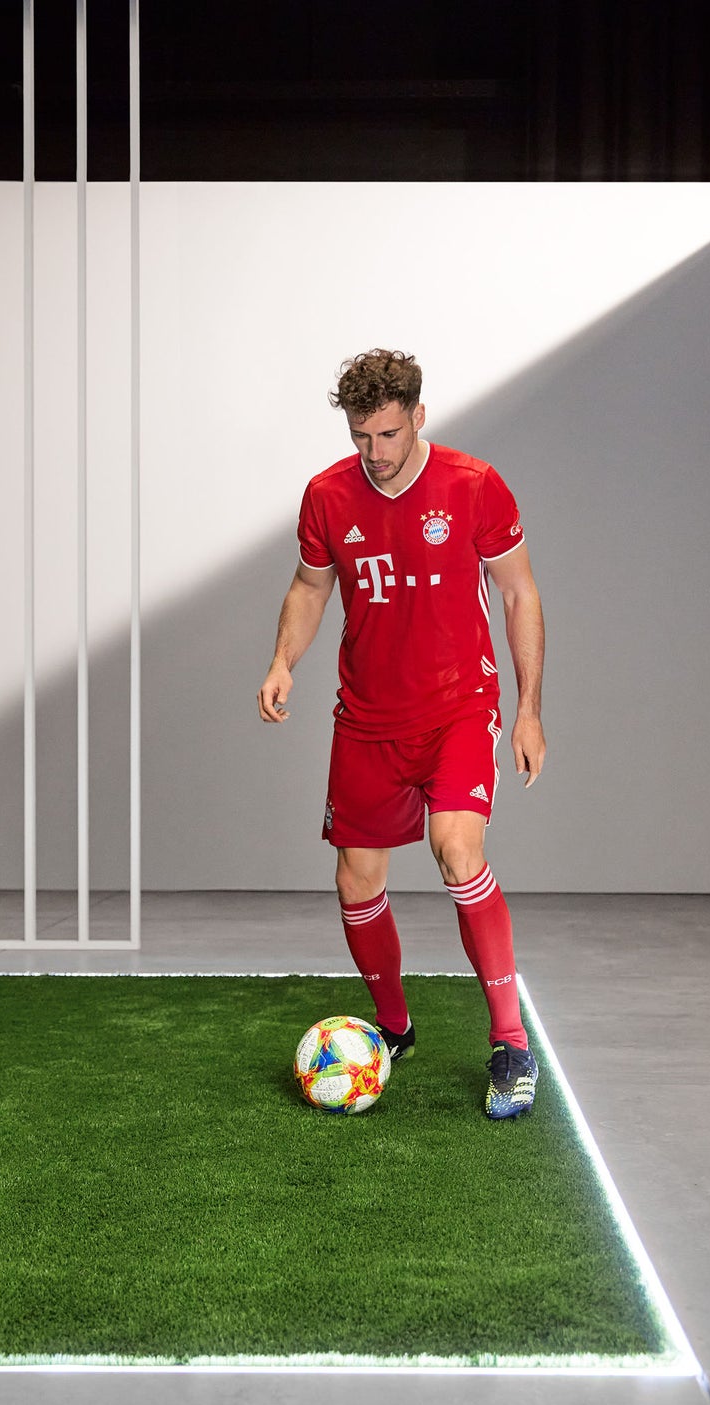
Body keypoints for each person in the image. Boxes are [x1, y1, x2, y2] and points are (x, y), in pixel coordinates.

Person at [257, 349, 546, 1120]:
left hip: (457, 707)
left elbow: (518, 593)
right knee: (356, 879)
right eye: (361, 436)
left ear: (418, 416)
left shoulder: (473, 485)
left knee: (458, 849)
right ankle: (393, 1027)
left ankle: (510, 1041)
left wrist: (527, 708)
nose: (375, 451)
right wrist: (283, 660)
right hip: (367, 716)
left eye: (387, 433)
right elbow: (310, 586)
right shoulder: (327, 495)